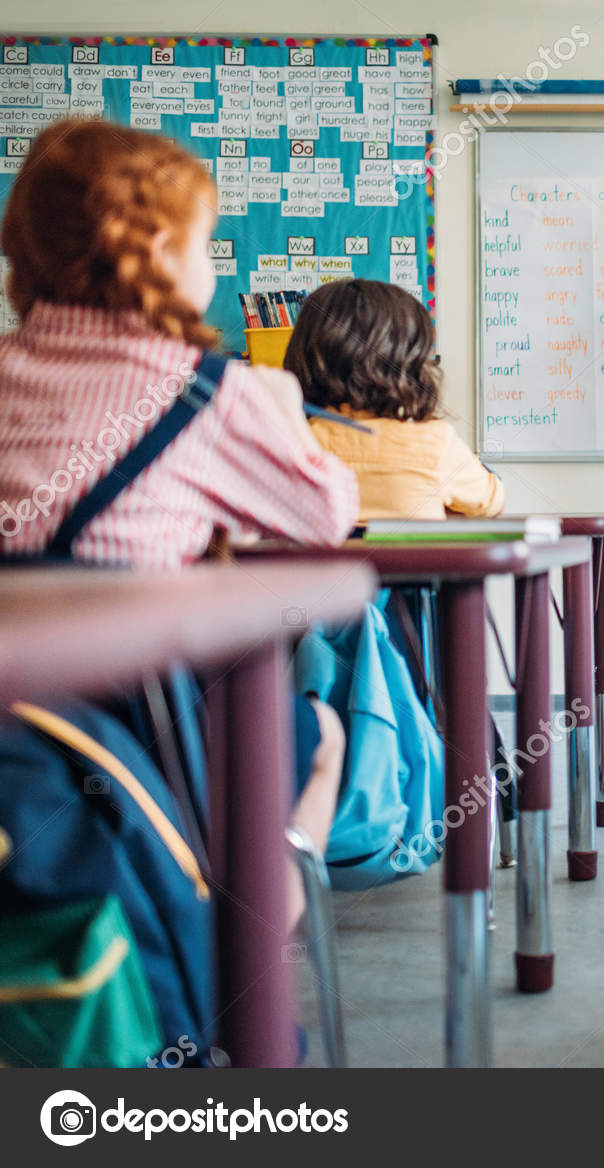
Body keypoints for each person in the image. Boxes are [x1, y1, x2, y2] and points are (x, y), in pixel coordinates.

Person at [0, 118, 360, 920]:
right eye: (208, 243)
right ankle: (242, 971)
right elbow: (327, 515)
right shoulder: (206, 390)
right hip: (149, 734)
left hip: (14, 737)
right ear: (161, 252)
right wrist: (287, 407)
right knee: (323, 734)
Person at [284, 278, 505, 521]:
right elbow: (493, 502)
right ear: (410, 366)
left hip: (321, 560)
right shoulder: (435, 443)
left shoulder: (291, 445)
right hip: (415, 560)